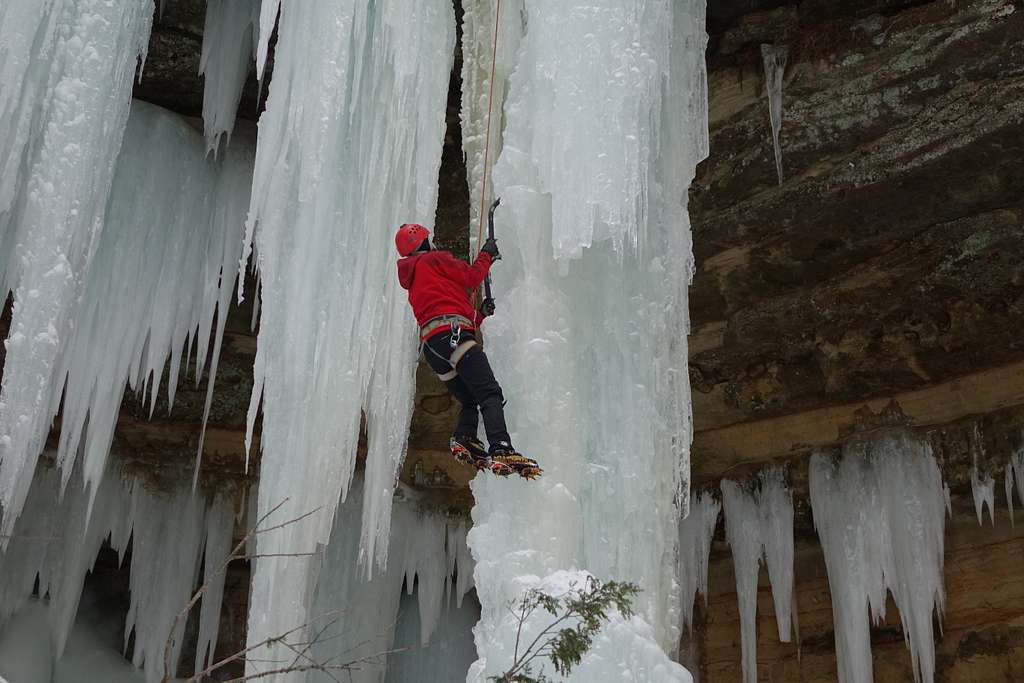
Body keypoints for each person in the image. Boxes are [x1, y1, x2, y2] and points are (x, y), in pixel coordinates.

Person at [395, 223, 539, 479]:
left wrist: (480, 314)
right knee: (490, 393)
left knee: (470, 398)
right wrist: (487, 254)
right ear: (424, 243)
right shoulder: (435, 260)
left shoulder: (414, 277)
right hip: (454, 337)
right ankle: (501, 447)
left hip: (434, 348)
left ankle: (465, 437)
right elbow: (472, 278)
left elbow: (445, 310)